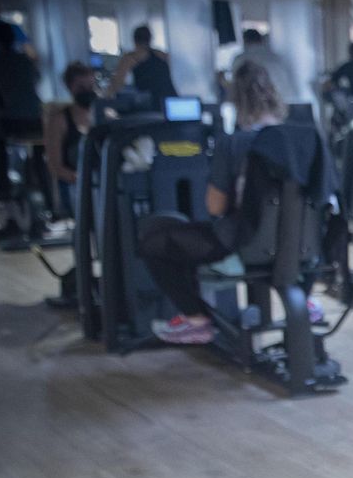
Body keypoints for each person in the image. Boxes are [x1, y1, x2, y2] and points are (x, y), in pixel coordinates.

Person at [138, 62, 326, 344]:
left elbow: (214, 207)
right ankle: (306, 302)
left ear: (235, 101)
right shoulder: (308, 141)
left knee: (154, 241)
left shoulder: (234, 143)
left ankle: (196, 319)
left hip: (244, 246)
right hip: (305, 246)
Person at [0, 20, 45, 209]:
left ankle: (2, 185)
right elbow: (36, 80)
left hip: (12, 122)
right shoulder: (26, 60)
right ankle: (41, 180)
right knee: (39, 148)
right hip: (36, 121)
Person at [44, 61, 96, 218]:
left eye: (90, 87)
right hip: (75, 185)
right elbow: (55, 166)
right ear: (70, 88)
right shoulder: (59, 120)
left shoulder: (105, 114)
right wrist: (82, 180)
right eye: (81, 87)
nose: (87, 91)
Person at [107, 25, 179, 106]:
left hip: (152, 104)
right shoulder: (162, 55)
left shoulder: (131, 58)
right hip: (172, 101)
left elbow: (117, 82)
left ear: (134, 40)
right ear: (150, 39)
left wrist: (107, 97)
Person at [228, 29, 302, 105]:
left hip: (258, 106)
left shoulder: (240, 59)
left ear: (245, 41)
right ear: (261, 40)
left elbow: (236, 86)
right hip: (285, 101)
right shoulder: (275, 57)